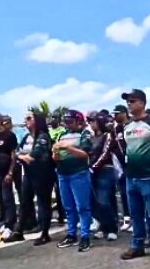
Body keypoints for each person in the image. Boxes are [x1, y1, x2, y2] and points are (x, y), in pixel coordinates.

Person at [119, 89, 150, 266]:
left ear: (142, 103)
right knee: (135, 214)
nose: (129, 104)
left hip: (149, 176)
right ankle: (137, 245)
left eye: (132, 101)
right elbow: (126, 149)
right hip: (131, 177)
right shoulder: (127, 126)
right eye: (128, 102)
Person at [5, 112, 56, 245]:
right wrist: (22, 156)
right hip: (29, 174)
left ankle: (45, 234)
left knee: (43, 204)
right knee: (24, 202)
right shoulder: (27, 137)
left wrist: (22, 156)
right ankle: (18, 232)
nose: (26, 121)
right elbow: (17, 152)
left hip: (43, 174)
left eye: (29, 118)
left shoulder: (43, 137)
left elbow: (33, 156)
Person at [53, 110, 93, 252]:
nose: (68, 124)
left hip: (79, 173)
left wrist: (67, 147)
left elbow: (85, 154)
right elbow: (55, 153)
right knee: (68, 207)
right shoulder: (62, 134)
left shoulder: (84, 134)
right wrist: (56, 155)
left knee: (82, 207)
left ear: (79, 121)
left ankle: (85, 236)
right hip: (63, 174)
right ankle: (71, 234)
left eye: (71, 121)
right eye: (66, 121)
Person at [88, 112, 119, 241]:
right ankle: (103, 226)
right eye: (89, 121)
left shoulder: (108, 136)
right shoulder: (91, 137)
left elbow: (106, 153)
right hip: (92, 171)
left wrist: (94, 167)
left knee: (104, 200)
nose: (90, 123)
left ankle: (112, 228)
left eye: (92, 120)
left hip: (106, 170)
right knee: (95, 202)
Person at [112, 105, 132, 232]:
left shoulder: (131, 125)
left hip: (133, 164)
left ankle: (136, 219)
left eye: (117, 113)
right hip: (121, 165)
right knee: (124, 193)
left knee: (133, 193)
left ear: (124, 113)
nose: (115, 116)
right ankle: (127, 218)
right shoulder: (116, 129)